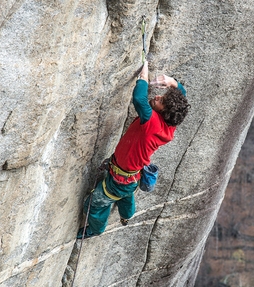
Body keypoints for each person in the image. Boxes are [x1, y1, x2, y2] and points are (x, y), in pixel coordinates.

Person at [77, 61, 190, 239]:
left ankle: (96, 229)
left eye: (163, 101)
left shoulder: (153, 123)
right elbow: (182, 97)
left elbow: (139, 99)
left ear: (164, 113)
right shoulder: (170, 125)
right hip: (130, 176)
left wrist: (143, 76)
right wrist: (172, 83)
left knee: (94, 204)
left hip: (120, 179)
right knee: (126, 192)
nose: (159, 97)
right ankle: (127, 215)